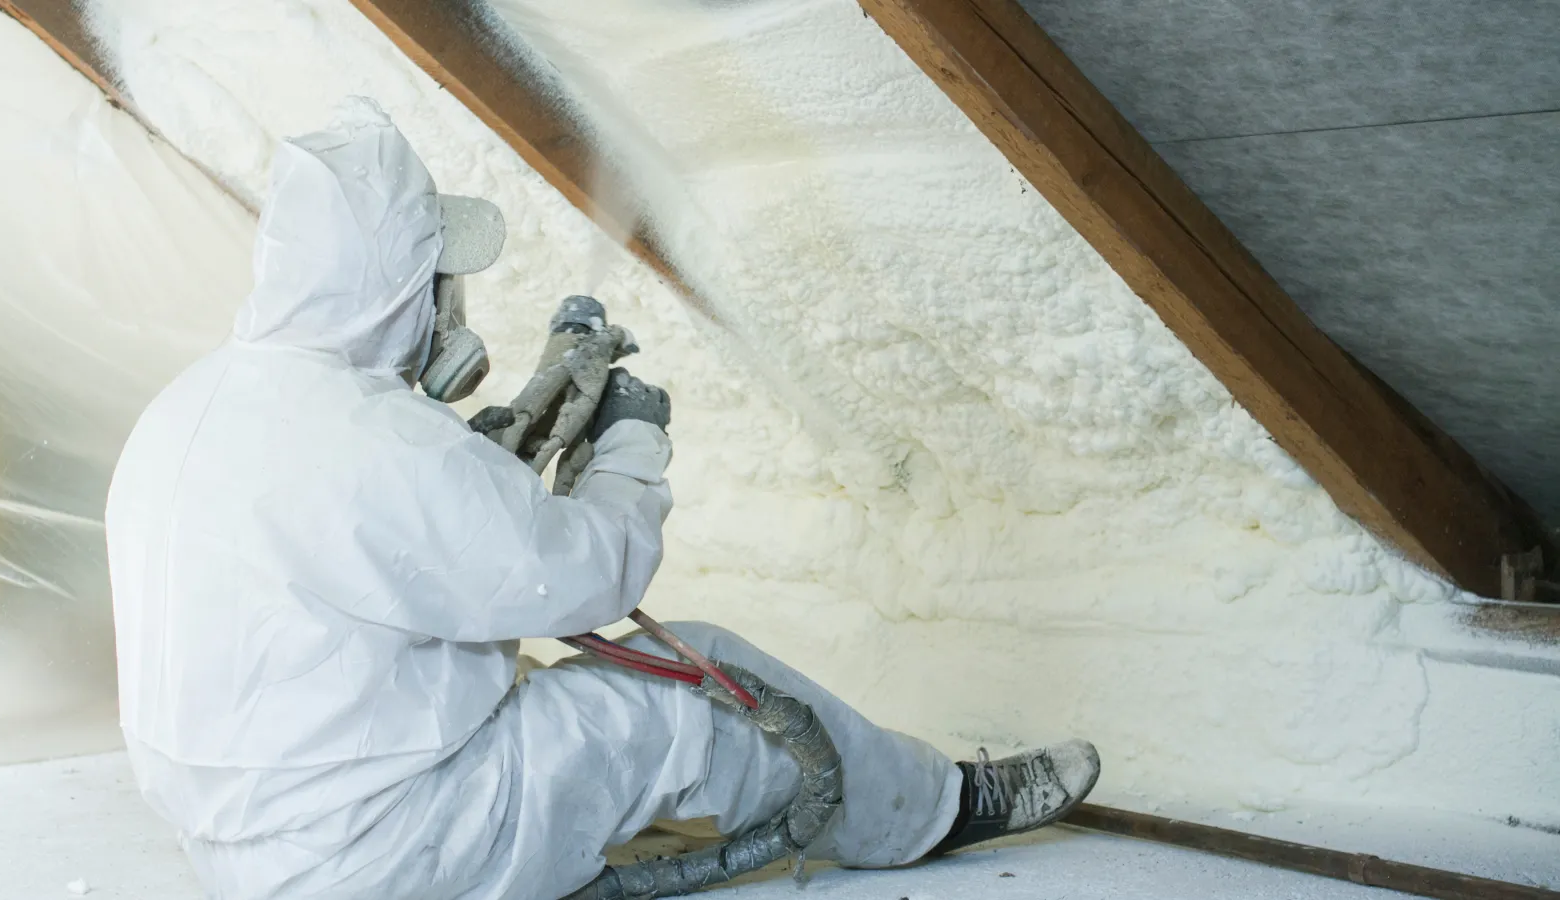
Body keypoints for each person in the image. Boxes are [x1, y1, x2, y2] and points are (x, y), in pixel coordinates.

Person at [105, 97, 1100, 900]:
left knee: (547, 692)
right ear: (393, 285)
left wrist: (494, 454)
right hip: (382, 854)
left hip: (237, 851)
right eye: (435, 277)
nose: (447, 304)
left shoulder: (194, 406)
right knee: (701, 683)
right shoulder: (372, 440)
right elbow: (583, 581)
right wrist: (631, 445)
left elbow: (389, 543)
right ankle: (932, 813)